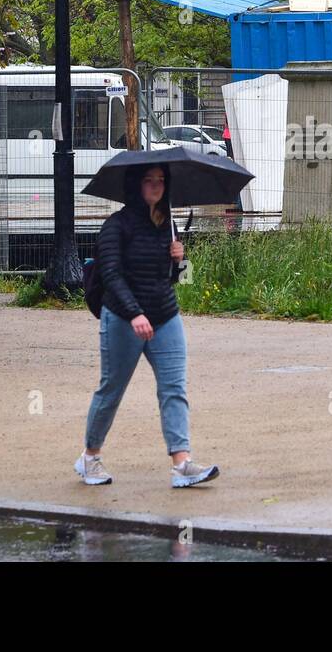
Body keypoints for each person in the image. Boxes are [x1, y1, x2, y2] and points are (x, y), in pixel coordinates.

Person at [74, 163, 220, 488]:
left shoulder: (168, 225)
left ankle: (182, 465)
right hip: (124, 319)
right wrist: (134, 314)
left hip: (165, 316)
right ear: (134, 186)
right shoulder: (116, 226)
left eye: (161, 181)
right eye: (149, 180)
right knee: (111, 389)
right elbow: (111, 275)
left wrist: (180, 259)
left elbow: (178, 279)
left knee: (174, 388)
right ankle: (90, 458)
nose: (156, 186)